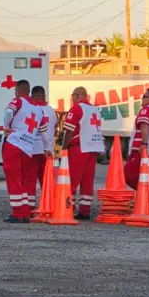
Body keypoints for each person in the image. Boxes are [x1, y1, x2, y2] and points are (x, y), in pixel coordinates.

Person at [2, 79, 51, 223]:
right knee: (22, 179)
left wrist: (6, 126)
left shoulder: (18, 101)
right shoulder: (38, 108)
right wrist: (47, 149)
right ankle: (24, 212)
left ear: (18, 90)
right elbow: (44, 131)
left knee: (13, 178)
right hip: (27, 148)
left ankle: (17, 213)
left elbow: (8, 112)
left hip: (14, 143)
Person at [61, 86, 104, 220]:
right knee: (87, 181)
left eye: (73, 96)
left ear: (78, 96)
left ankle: (68, 207)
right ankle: (85, 210)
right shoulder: (95, 109)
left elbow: (69, 131)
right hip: (93, 148)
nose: (72, 99)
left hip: (79, 147)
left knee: (72, 179)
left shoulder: (77, 108)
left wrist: (63, 148)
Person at [28, 85, 58, 211]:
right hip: (47, 151)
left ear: (32, 96)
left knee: (30, 179)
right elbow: (55, 129)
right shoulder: (51, 111)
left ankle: (29, 207)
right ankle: (49, 205)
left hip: (32, 149)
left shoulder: (30, 109)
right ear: (44, 96)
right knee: (47, 180)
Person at [124, 88, 149, 192]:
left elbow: (144, 125)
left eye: (144, 97)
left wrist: (144, 143)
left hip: (142, 150)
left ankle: (147, 193)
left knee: (128, 175)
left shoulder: (147, 109)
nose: (142, 100)